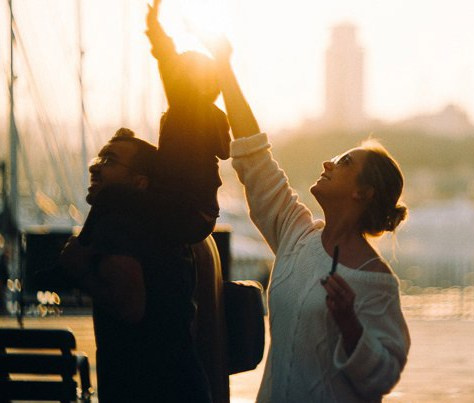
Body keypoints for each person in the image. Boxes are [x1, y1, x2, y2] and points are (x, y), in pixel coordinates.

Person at [200, 34, 411, 402]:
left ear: (363, 192)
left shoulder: (377, 282)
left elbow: (383, 377)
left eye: (345, 162)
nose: (328, 163)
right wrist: (225, 70)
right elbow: (255, 159)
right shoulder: (296, 234)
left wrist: (350, 324)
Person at [59, 129, 212, 403]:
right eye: (99, 158)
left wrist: (78, 269)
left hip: (143, 386)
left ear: (139, 182)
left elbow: (130, 307)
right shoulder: (163, 227)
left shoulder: (118, 223)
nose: (95, 167)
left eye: (109, 161)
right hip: (182, 383)